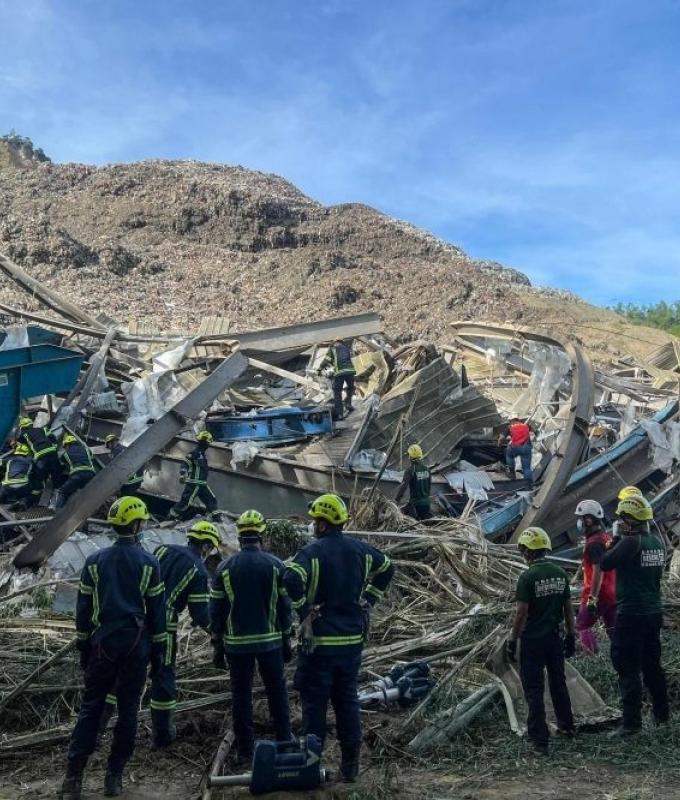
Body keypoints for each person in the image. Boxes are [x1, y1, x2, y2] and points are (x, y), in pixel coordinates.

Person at [59, 497, 166, 800]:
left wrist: (83, 645)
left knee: (91, 710)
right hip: (136, 649)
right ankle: (114, 778)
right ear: (135, 524)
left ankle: (72, 780)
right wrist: (159, 655)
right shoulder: (149, 563)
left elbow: (83, 609)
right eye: (142, 521)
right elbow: (158, 614)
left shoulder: (94, 562)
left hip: (101, 648)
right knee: (128, 712)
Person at [284, 494, 394, 781]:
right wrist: (369, 599)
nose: (312, 525)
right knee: (347, 704)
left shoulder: (312, 553)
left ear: (322, 524)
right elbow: (387, 567)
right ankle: (350, 768)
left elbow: (291, 577)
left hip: (320, 647)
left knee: (314, 708)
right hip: (351, 645)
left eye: (314, 520)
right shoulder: (361, 550)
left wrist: (304, 610)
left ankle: (311, 769)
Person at [210, 509, 293, 764]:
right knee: (277, 691)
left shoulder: (224, 568)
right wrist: (287, 640)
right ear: (261, 534)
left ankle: (246, 750)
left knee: (241, 695)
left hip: (236, 646)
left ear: (240, 535)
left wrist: (217, 645)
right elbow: (284, 606)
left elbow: (217, 611)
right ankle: (285, 742)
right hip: (270, 643)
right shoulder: (276, 566)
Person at [600, 495, 668, 736]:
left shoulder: (630, 543)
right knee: (652, 666)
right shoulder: (656, 542)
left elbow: (605, 563)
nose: (620, 522)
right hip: (653, 612)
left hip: (631, 614)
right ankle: (662, 715)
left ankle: (631, 724)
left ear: (629, 520)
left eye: (622, 519)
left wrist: (615, 539)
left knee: (627, 666)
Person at [149, 519, 218, 747]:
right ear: (206, 546)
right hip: (163, 626)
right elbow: (200, 614)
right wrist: (217, 633)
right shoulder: (198, 570)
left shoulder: (162, 549)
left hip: (136, 621)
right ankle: (162, 735)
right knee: (163, 676)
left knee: (127, 672)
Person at [506, 527, 575, 754]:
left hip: (533, 641)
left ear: (526, 551)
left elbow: (521, 613)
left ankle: (539, 740)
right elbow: (568, 609)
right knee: (558, 683)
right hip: (554, 638)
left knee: (534, 689)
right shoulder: (560, 573)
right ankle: (567, 726)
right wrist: (571, 635)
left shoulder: (527, 577)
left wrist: (513, 640)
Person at [574, 499, 616, 654]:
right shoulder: (605, 538)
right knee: (613, 629)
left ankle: (593, 658)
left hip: (599, 593)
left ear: (589, 519)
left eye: (581, 518)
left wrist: (592, 598)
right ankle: (624, 657)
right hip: (613, 591)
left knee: (582, 625)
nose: (579, 522)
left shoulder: (594, 543)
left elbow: (599, 571)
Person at [169, 431, 217, 518]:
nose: (208, 445)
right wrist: (183, 474)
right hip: (194, 483)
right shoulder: (194, 454)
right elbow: (185, 463)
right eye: (207, 443)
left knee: (212, 501)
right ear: (204, 443)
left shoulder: (202, 455)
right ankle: (171, 517)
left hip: (202, 484)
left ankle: (217, 520)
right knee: (185, 502)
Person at [17, 416, 61, 488]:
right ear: (31, 424)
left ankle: (41, 488)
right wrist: (55, 447)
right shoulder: (42, 429)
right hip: (51, 450)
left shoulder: (23, 435)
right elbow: (52, 437)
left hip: (40, 454)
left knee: (41, 473)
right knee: (55, 469)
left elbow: (20, 446)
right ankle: (58, 486)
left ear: (22, 427)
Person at [55, 434, 96, 509]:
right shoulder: (87, 450)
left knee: (62, 492)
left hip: (77, 475)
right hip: (91, 475)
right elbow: (91, 458)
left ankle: (57, 514)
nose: (65, 448)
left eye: (65, 447)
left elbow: (63, 465)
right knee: (87, 493)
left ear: (67, 445)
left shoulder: (65, 454)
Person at [319, 338, 356, 420]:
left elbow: (326, 361)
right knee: (351, 388)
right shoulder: (346, 349)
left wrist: (319, 368)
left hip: (340, 373)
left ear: (335, 343)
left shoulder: (332, 349)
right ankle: (348, 403)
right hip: (350, 371)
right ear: (341, 342)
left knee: (337, 393)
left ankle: (340, 414)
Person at [395, 444, 432, 520]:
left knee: (401, 517)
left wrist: (396, 500)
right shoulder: (427, 470)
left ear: (410, 457)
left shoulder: (410, 470)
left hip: (415, 505)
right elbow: (429, 487)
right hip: (427, 504)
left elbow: (403, 487)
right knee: (423, 524)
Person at [105, 434, 145, 499]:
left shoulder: (116, 451)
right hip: (138, 479)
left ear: (110, 444)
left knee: (124, 499)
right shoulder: (124, 448)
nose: (110, 445)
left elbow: (115, 469)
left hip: (130, 481)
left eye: (110, 443)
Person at [0, 443, 39, 507]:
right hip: (22, 487)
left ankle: (2, 498)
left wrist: (9, 453)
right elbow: (37, 472)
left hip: (7, 486)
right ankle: (23, 502)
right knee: (33, 491)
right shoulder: (30, 461)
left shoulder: (10, 459)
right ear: (26, 453)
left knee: (2, 487)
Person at [502, 417, 533, 486]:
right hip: (526, 447)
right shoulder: (526, 425)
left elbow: (502, 437)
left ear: (511, 421)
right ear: (518, 420)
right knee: (526, 468)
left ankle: (512, 473)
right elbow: (533, 433)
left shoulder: (510, 427)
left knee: (508, 455)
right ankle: (528, 484)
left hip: (515, 448)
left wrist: (499, 443)